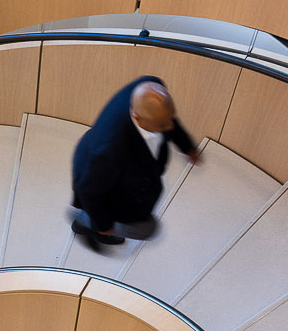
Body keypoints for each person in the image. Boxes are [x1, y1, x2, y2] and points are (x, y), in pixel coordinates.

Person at [68, 76, 200, 253]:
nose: (170, 126)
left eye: (170, 118)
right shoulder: (109, 151)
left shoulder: (150, 87)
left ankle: (89, 222)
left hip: (115, 169)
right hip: (105, 181)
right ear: (137, 118)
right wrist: (103, 225)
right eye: (162, 124)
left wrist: (187, 146)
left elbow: (169, 121)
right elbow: (88, 191)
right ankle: (84, 221)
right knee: (147, 229)